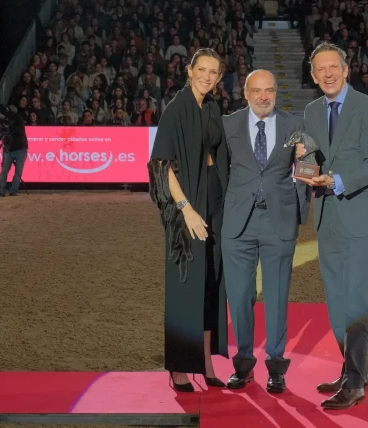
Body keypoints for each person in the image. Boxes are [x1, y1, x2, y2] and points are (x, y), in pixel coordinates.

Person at [295, 42, 368, 410]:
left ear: (347, 69)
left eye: (333, 66)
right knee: (336, 302)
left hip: (359, 214)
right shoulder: (311, 110)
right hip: (327, 216)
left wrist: (335, 181)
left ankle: (355, 382)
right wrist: (303, 162)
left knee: (354, 299)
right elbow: (311, 157)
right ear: (314, 75)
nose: (328, 73)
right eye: (320, 69)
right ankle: (354, 369)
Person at [220, 70, 310, 394]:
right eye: (256, 91)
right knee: (240, 297)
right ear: (245, 94)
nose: (263, 96)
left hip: (279, 222)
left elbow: (309, 168)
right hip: (237, 224)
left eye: (269, 90)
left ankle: (276, 368)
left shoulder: (294, 124)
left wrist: (298, 210)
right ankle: (243, 365)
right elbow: (217, 170)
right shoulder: (228, 124)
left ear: (275, 92)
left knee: (276, 296)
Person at [147, 48, 230, 392]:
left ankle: (206, 361)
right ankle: (180, 366)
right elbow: (161, 166)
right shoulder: (176, 109)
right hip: (187, 206)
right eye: (203, 70)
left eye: (214, 72)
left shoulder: (211, 107)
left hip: (214, 201)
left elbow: (218, 152)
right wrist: (186, 208)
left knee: (211, 281)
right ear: (189, 70)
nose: (207, 77)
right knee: (185, 283)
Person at [0, 104, 28, 197]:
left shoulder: (18, 118)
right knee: (4, 170)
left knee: (18, 171)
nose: (0, 117)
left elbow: (20, 131)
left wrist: (10, 128)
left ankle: (13, 191)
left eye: (1, 114)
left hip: (20, 148)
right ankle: (1, 191)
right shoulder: (2, 122)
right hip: (7, 149)